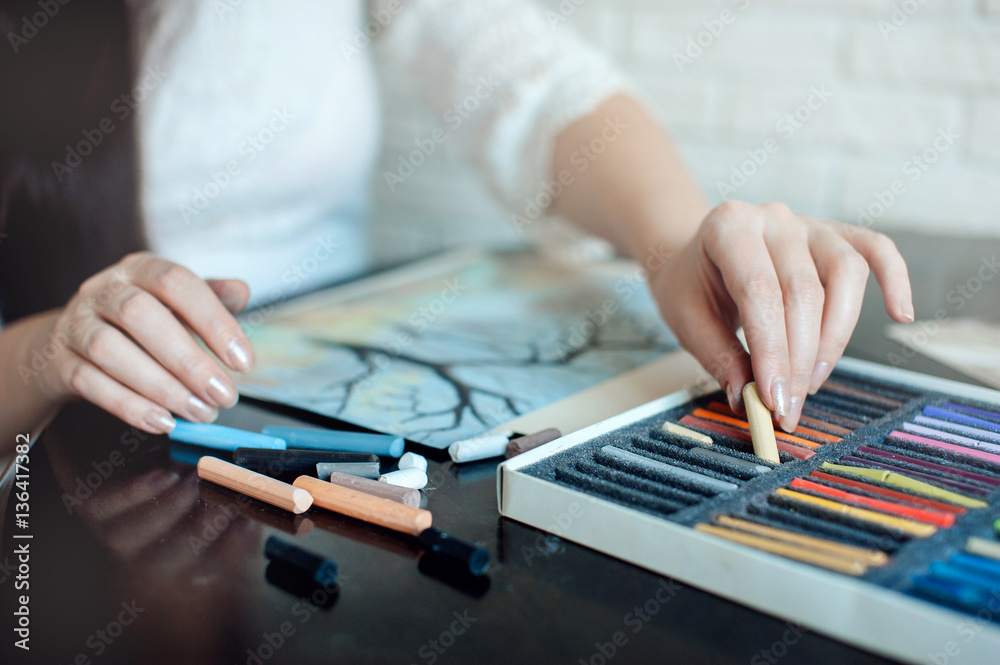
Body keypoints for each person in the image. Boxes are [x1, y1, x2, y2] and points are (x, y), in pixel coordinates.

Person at [0, 0, 912, 455]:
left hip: (345, 434)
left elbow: (531, 81)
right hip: (82, 468)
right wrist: (54, 350)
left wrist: (676, 242)